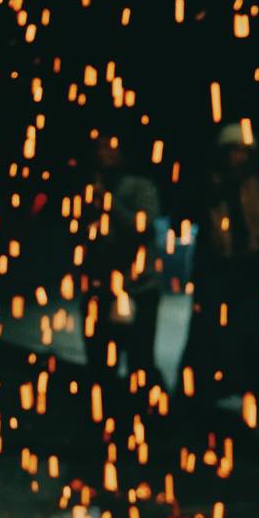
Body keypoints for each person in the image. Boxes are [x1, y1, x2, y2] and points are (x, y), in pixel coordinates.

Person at [177, 124, 259, 421]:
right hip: (216, 273)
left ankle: (257, 403)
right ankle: (199, 399)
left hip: (254, 276)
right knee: (207, 338)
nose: (237, 157)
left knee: (254, 341)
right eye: (232, 150)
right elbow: (185, 215)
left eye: (242, 151)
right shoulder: (209, 182)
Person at [77, 135, 165, 390]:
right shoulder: (90, 185)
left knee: (140, 361)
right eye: (100, 147)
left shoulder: (140, 186)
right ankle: (103, 415)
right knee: (99, 362)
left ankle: (148, 418)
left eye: (110, 147)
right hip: (99, 287)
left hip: (137, 288)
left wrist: (107, 202)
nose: (104, 153)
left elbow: (142, 226)